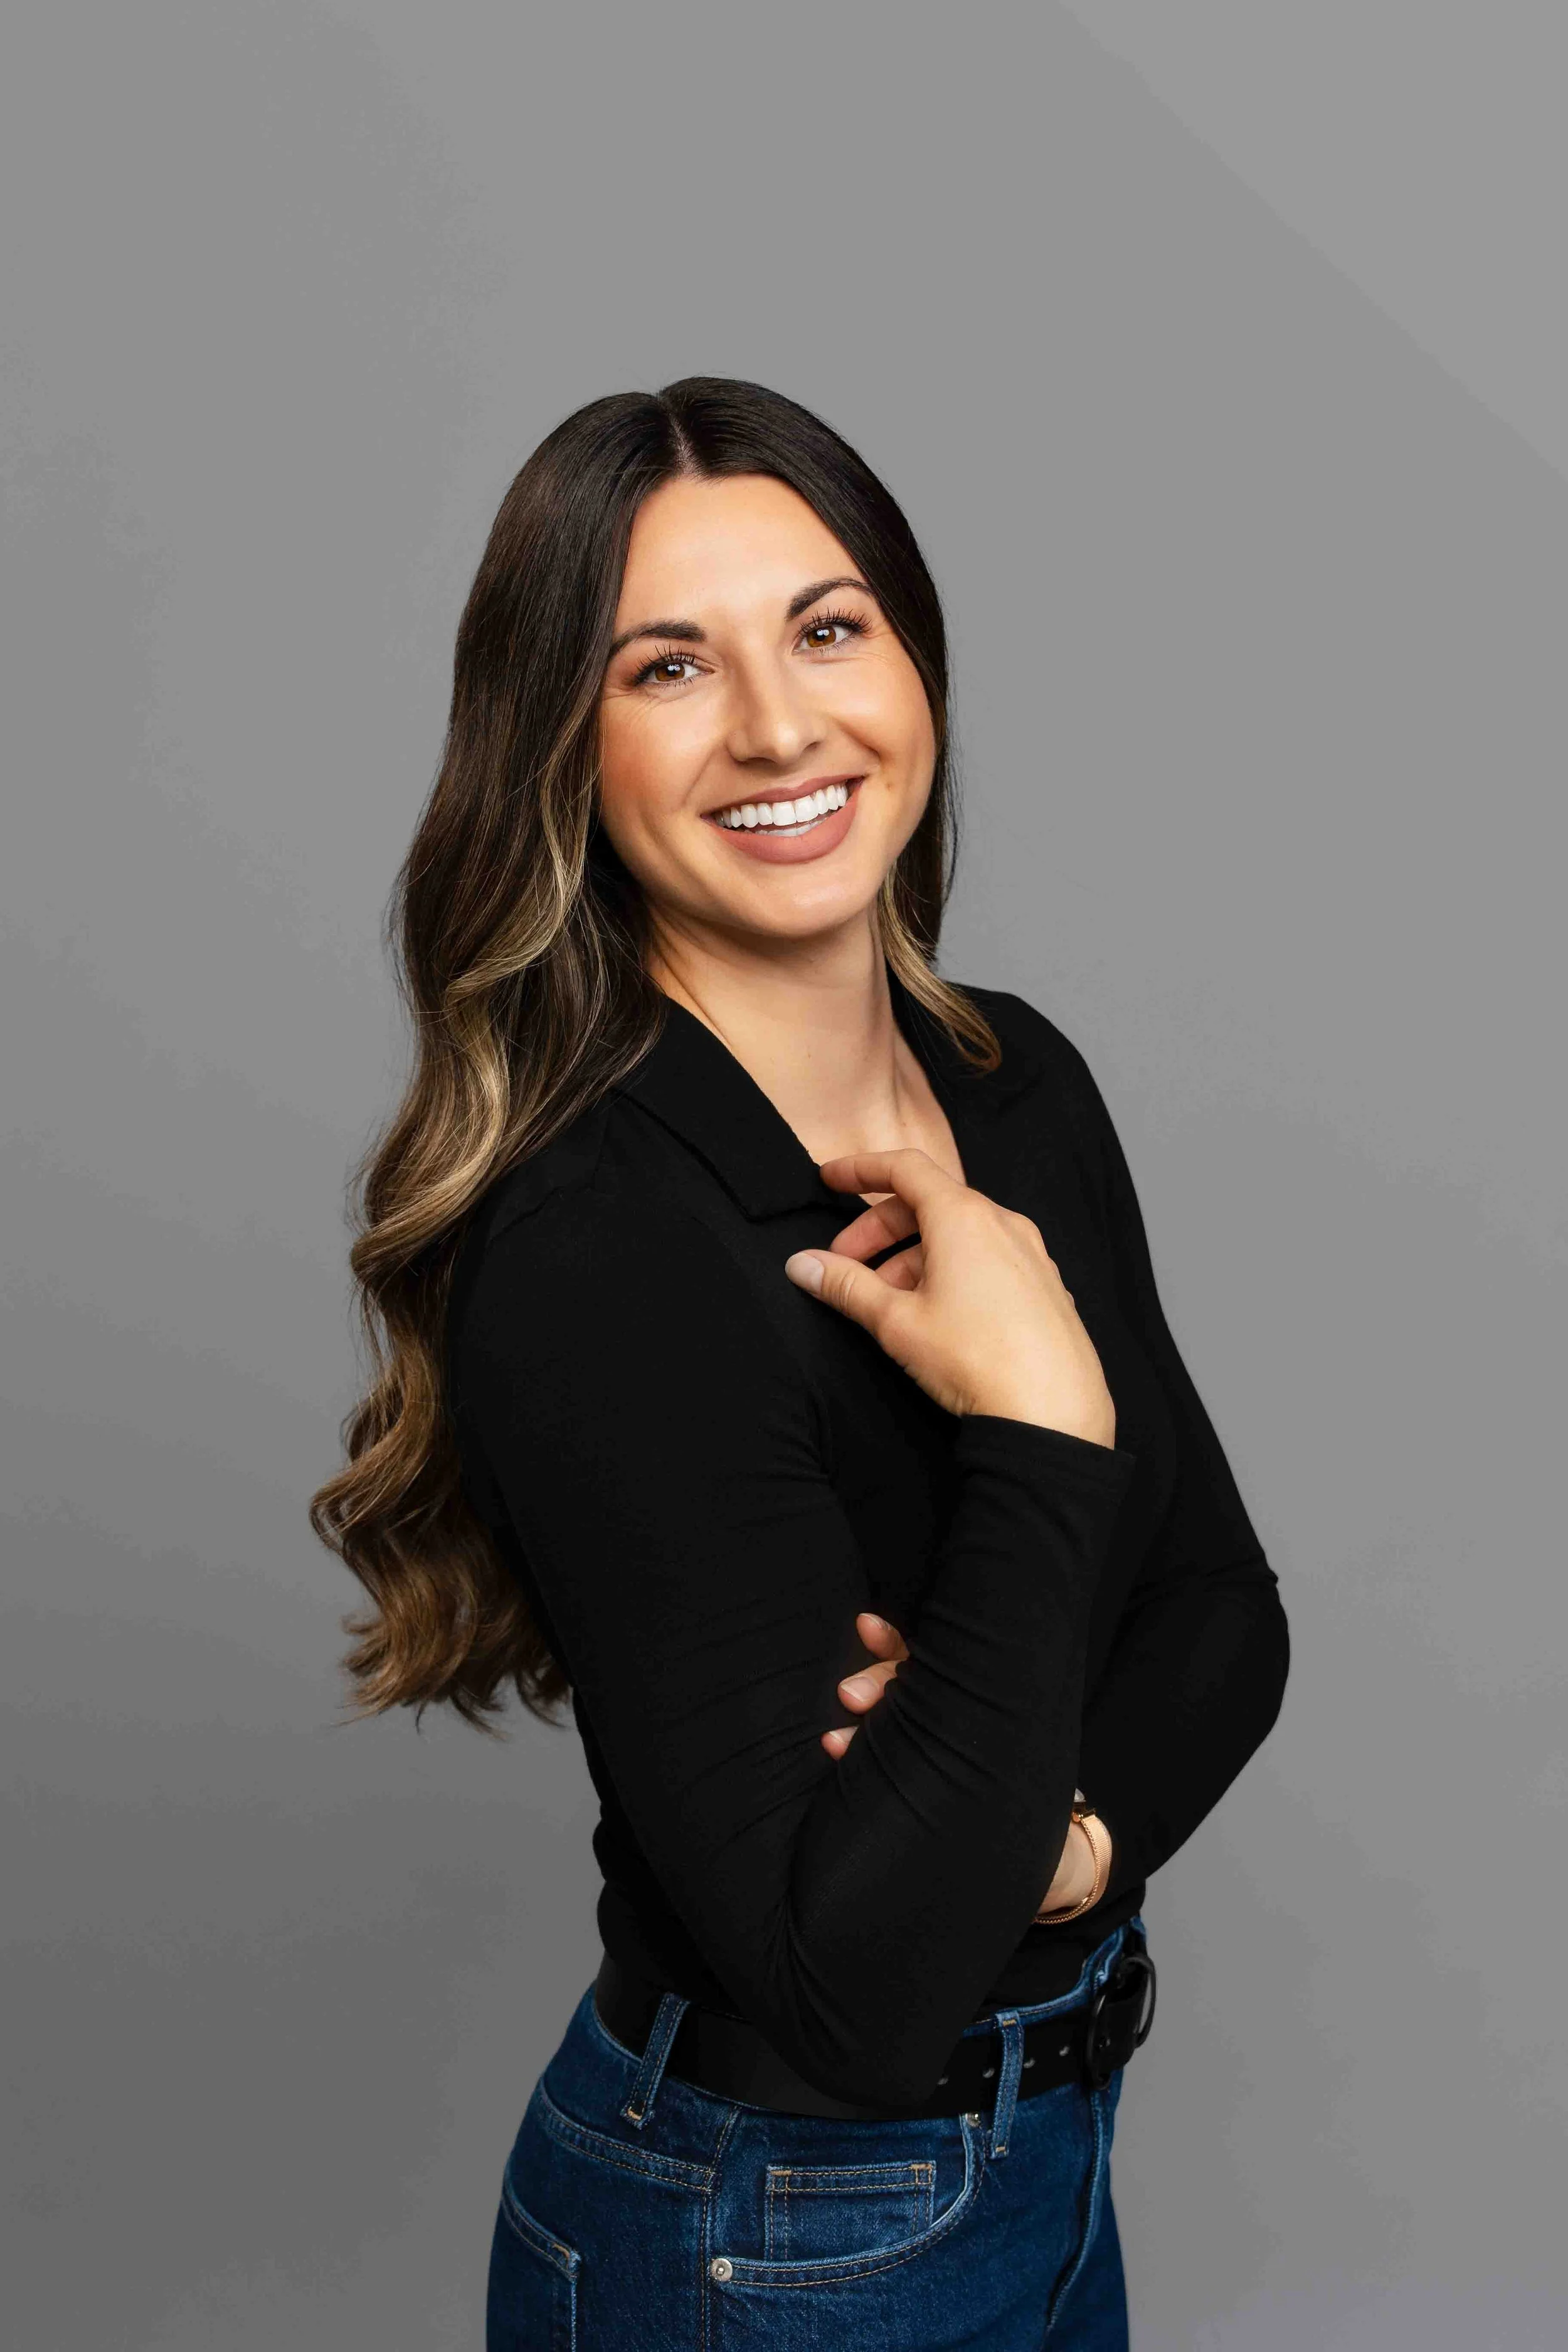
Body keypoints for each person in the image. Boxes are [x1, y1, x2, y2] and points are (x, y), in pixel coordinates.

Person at [309, 376, 1291, 2350]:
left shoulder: (1013, 1087)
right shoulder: (595, 1242)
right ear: (559, 750)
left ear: (911, 659)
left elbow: (1223, 1622)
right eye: (667, 666)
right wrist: (1037, 1430)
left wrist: (1057, 1843)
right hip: (769, 2237)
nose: (778, 726)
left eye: (827, 627)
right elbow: (856, 1984)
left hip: (1050, 2160)